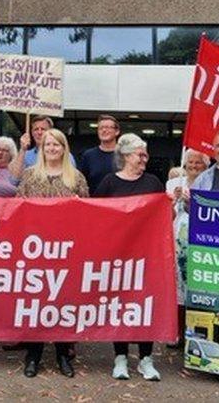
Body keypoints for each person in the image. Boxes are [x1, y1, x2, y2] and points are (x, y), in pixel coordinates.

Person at [15, 129, 88, 378]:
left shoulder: (75, 177)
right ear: (42, 148)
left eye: (57, 144)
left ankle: (62, 354)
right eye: (48, 144)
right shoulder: (29, 175)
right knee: (37, 301)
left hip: (66, 249)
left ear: (64, 147)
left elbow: (90, 212)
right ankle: (33, 354)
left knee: (63, 301)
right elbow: (17, 208)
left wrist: (80, 206)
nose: (52, 148)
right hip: (36, 248)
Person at [94, 133, 165, 381]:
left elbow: (163, 220)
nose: (144, 158)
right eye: (140, 154)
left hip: (147, 256)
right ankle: (120, 358)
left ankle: (146, 359)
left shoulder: (154, 182)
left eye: (145, 154)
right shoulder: (108, 183)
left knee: (145, 305)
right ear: (125, 156)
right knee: (120, 305)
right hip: (117, 256)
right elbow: (96, 217)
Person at [164, 149, 209, 346]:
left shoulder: (210, 183)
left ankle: (197, 335)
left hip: (202, 242)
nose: (193, 166)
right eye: (190, 162)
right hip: (176, 241)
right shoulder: (174, 183)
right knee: (177, 289)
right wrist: (172, 201)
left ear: (206, 165)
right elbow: (167, 215)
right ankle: (178, 332)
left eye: (198, 162)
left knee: (199, 288)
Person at [79, 114, 121, 193]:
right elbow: (82, 183)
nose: (104, 130)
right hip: (95, 203)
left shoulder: (125, 154)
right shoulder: (88, 155)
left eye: (108, 127)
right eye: (101, 128)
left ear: (117, 131)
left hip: (120, 203)